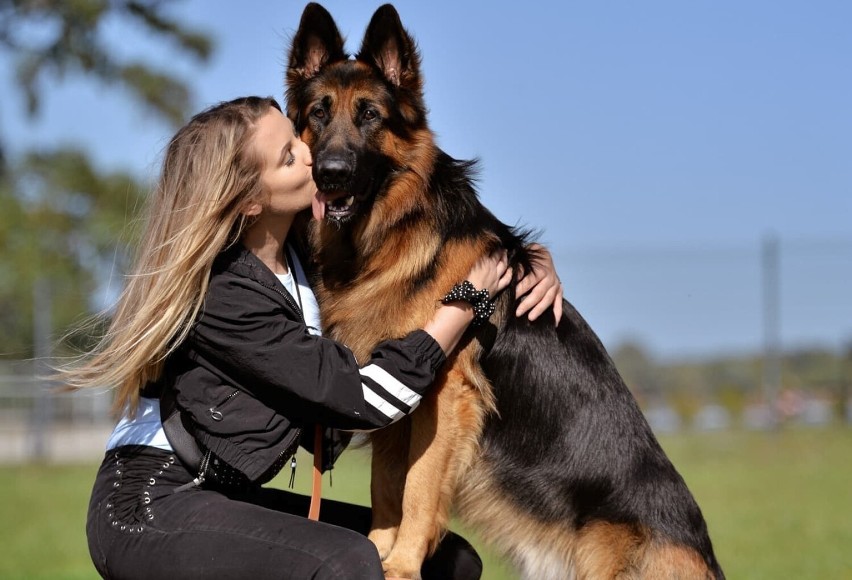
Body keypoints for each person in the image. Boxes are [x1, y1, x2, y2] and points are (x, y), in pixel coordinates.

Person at [61, 96, 563, 580]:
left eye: (298, 137)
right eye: (289, 157)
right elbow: (361, 401)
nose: (314, 152)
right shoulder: (226, 293)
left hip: (218, 493)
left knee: (450, 562)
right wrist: (465, 303)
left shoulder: (301, 249)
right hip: (148, 504)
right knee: (347, 562)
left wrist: (526, 256)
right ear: (250, 201)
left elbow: (429, 230)